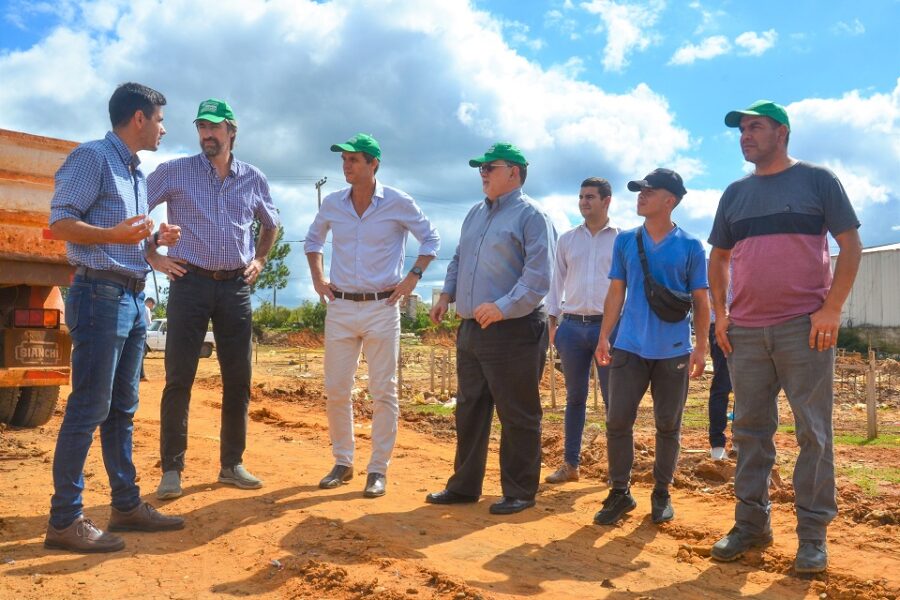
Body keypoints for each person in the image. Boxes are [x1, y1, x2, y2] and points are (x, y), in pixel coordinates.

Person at [708, 100, 862, 574]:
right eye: (741, 130)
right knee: (751, 433)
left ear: (783, 133)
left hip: (804, 329)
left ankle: (813, 536)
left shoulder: (817, 180)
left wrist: (831, 309)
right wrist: (721, 314)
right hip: (747, 333)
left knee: (813, 433)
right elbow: (718, 258)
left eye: (755, 128)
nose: (745, 136)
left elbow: (850, 244)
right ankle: (752, 525)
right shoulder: (734, 194)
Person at [45, 82, 184, 553]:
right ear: (139, 118)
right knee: (88, 407)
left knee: (122, 409)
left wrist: (153, 241)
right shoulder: (93, 158)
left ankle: (125, 505)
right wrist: (114, 235)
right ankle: (64, 520)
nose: (165, 129)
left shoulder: (136, 175)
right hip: (99, 295)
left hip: (131, 297)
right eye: (161, 120)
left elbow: (130, 239)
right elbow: (59, 221)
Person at [147, 98, 279, 499]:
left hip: (235, 287)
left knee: (238, 377)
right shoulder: (174, 172)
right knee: (178, 378)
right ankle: (172, 469)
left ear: (231, 131)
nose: (206, 133)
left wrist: (259, 258)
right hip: (189, 283)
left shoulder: (253, 177)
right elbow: (135, 210)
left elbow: (272, 223)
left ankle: (231, 464)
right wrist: (152, 253)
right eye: (201, 126)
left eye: (214, 127)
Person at [305, 133, 439, 498]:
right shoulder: (333, 203)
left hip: (383, 306)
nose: (346, 166)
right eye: (344, 160)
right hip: (342, 307)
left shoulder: (398, 202)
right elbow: (313, 241)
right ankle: (343, 462)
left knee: (384, 392)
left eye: (354, 160)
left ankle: (377, 469)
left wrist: (413, 278)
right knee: (335, 389)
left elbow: (431, 240)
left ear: (373, 164)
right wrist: (318, 278)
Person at [427, 142, 556, 515]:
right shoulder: (473, 214)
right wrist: (446, 295)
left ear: (514, 172)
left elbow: (538, 278)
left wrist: (501, 308)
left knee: (517, 413)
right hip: (471, 329)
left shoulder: (532, 216)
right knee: (469, 410)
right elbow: (458, 259)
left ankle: (519, 491)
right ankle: (465, 487)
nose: (482, 173)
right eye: (480, 168)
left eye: (490, 167)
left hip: (513, 329)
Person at [593, 168, 709, 526]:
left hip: (673, 349)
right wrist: (604, 336)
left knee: (668, 425)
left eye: (649, 191)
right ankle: (619, 492)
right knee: (617, 420)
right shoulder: (626, 240)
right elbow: (617, 291)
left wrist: (700, 347)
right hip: (628, 346)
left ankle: (661, 491)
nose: (640, 196)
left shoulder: (690, 246)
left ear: (670, 200)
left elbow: (701, 300)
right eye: (639, 190)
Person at [544, 177, 620, 484]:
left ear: (606, 201)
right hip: (572, 327)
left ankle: (617, 472)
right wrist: (552, 324)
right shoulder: (567, 240)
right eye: (580, 197)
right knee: (574, 398)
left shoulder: (622, 239)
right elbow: (556, 281)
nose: (584, 202)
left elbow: (626, 285)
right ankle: (570, 465)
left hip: (609, 327)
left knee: (614, 400)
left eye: (590, 196)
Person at [707, 284, 733, 461]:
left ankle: (741, 440)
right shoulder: (714, 264)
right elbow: (707, 298)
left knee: (748, 387)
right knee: (722, 385)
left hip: (750, 325)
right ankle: (717, 444)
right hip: (720, 326)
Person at [140, 297, 156, 382]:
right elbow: (149, 322)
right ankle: (141, 375)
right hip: (141, 332)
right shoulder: (146, 309)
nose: (152, 307)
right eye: (153, 305)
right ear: (150, 303)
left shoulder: (138, 304)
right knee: (142, 354)